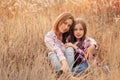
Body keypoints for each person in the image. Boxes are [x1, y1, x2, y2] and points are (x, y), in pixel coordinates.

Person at [44, 12, 79, 80]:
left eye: (69, 25)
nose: (66, 27)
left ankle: (64, 77)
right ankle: (69, 77)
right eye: (65, 23)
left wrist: (92, 45)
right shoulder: (48, 37)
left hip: (68, 63)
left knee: (70, 48)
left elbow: (85, 38)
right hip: (57, 62)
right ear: (59, 20)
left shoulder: (67, 35)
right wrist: (64, 62)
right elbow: (57, 50)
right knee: (52, 54)